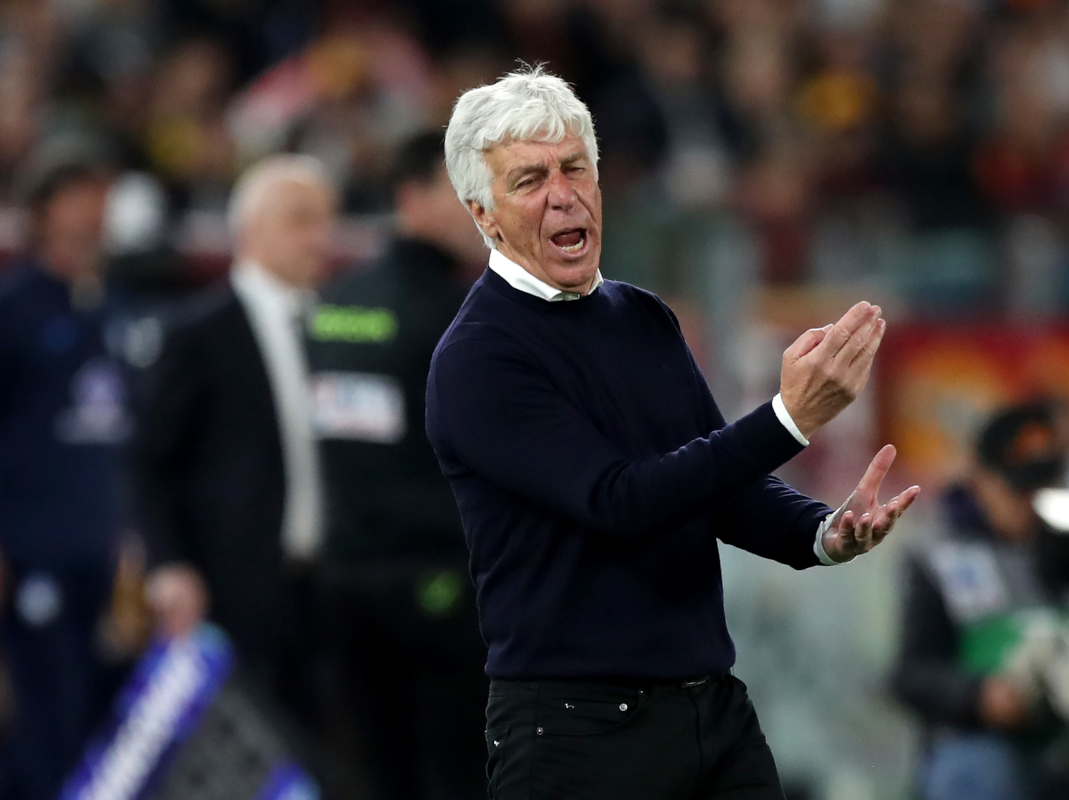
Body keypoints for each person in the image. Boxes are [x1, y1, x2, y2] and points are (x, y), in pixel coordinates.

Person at [425, 67, 920, 800]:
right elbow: (620, 502)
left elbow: (717, 488)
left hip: (712, 710)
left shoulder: (642, 318)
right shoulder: (479, 358)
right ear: (483, 213)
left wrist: (822, 532)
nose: (562, 193)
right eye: (529, 180)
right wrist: (788, 420)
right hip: (574, 731)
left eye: (575, 168)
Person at [305, 131, 487, 800]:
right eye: (463, 189)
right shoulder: (462, 312)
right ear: (410, 197)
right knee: (456, 775)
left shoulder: (332, 304)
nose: (483, 205)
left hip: (342, 578)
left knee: (368, 774)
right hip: (437, 583)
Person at [130, 155, 336, 728]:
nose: (321, 237)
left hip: (327, 590)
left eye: (327, 220)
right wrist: (167, 563)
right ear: (250, 230)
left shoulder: (342, 325)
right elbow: (147, 463)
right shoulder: (197, 331)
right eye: (301, 220)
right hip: (232, 590)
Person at [890, 401, 1069, 800]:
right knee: (982, 775)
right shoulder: (938, 554)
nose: (1037, 502)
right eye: (1021, 489)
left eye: (1048, 484)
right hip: (990, 741)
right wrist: (980, 697)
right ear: (980, 480)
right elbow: (911, 674)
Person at [0, 157, 126, 800]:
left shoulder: (117, 311)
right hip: (33, 556)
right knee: (45, 724)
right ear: (44, 209)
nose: (92, 212)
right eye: (76, 195)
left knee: (107, 729)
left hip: (106, 558)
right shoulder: (14, 309)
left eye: (99, 195)